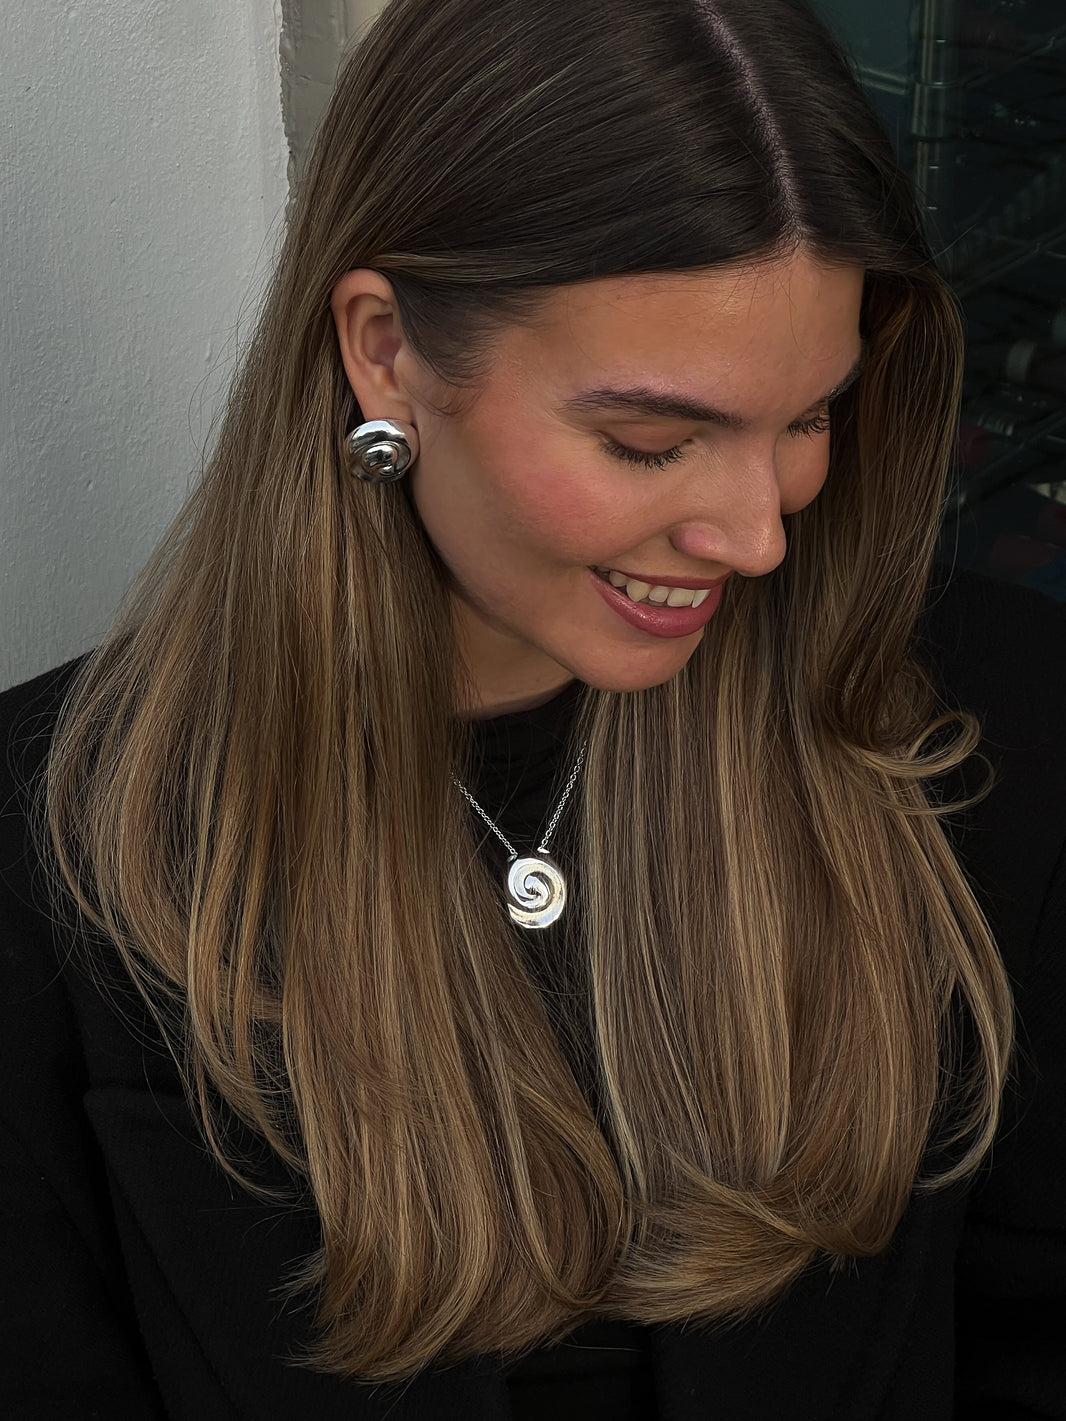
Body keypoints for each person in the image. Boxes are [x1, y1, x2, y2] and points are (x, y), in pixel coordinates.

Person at [1, 0, 1064, 1415]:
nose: (758, 537)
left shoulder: (990, 737)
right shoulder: (50, 861)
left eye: (809, 417)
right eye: (651, 440)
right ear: (386, 351)